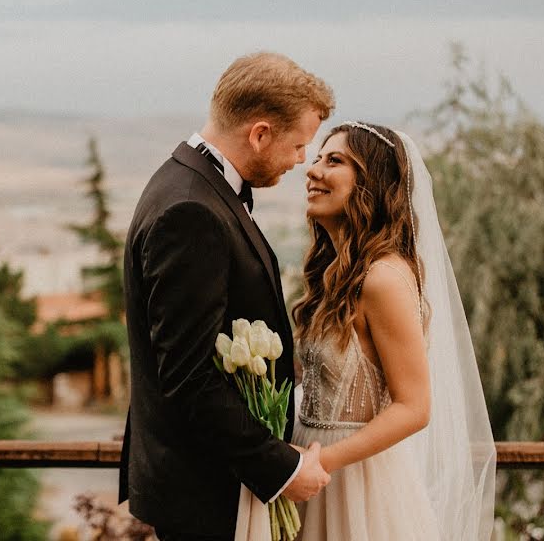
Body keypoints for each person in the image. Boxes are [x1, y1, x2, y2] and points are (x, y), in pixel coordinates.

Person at [118, 52, 335, 540]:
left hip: (215, 487)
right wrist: (280, 468)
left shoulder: (191, 183)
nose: (302, 160)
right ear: (259, 133)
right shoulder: (191, 210)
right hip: (206, 496)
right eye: (299, 145)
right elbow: (189, 377)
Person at [291, 121, 496, 540]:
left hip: (356, 486)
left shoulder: (382, 279)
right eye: (316, 158)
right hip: (306, 472)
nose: (313, 170)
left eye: (335, 161)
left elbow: (413, 407)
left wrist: (321, 462)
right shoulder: (336, 275)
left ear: (371, 182)